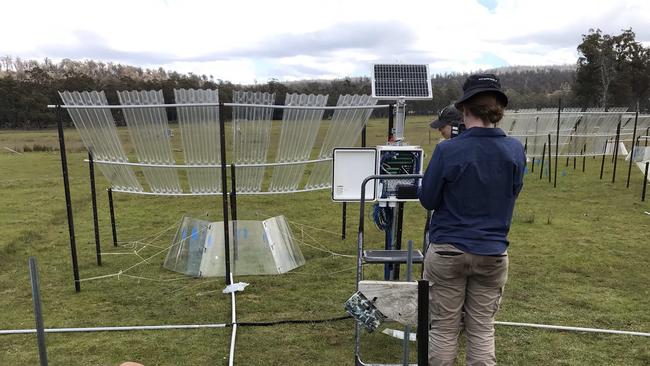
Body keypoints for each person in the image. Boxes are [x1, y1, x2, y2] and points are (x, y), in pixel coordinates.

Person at [418, 74, 526, 366]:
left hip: (448, 251)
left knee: (443, 328)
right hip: (492, 253)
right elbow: (514, 191)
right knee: (481, 330)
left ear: (464, 110)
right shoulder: (515, 149)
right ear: (497, 111)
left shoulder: (448, 150)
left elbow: (428, 199)